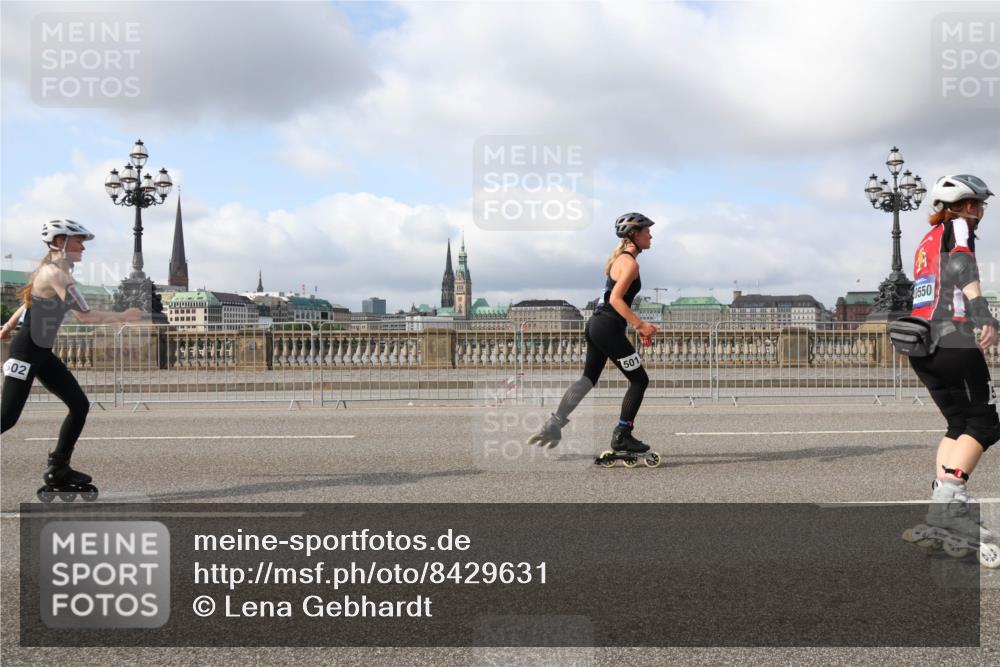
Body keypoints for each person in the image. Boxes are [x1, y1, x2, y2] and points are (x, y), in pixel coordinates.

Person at [1, 219, 143, 500]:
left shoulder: (53, 271)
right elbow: (85, 316)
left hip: (40, 351)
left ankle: (59, 468)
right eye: (79, 241)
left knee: (79, 404)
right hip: (27, 352)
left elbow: (27, 302)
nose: (83, 247)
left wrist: (6, 327)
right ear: (59, 242)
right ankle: (59, 467)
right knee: (6, 418)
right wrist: (122, 317)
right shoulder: (57, 274)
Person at [903, 175, 1000, 565]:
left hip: (920, 342)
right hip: (951, 337)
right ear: (962, 204)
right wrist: (982, 313)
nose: (981, 211)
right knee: (985, 423)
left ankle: (942, 504)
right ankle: (949, 506)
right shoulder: (957, 227)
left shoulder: (926, 241)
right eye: (977, 204)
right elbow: (961, 263)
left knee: (958, 424)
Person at [527, 212, 660, 465]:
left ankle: (555, 423)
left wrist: (634, 326)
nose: (651, 235)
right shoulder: (631, 263)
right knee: (640, 380)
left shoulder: (620, 260)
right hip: (608, 327)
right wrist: (640, 325)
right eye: (647, 231)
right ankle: (623, 435)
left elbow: (610, 302)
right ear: (634, 234)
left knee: (588, 379)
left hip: (598, 326)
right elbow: (615, 300)